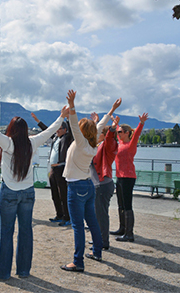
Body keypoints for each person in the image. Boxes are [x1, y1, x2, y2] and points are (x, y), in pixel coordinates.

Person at [0, 98, 69, 280]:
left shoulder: (7, 143)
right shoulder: (32, 142)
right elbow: (51, 131)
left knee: (7, 232)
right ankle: (24, 271)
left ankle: (3, 273)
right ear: (26, 130)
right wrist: (61, 117)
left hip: (9, 192)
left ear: (11, 130)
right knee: (26, 231)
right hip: (28, 192)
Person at [60, 90, 120, 273]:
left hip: (76, 186)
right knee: (92, 222)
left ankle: (78, 262)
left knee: (78, 226)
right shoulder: (92, 145)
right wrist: (111, 110)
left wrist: (72, 106)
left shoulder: (80, 142)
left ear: (82, 131)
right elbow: (100, 126)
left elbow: (75, 127)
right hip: (87, 185)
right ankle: (97, 252)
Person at [112, 112, 149, 242]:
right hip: (119, 177)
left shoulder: (131, 144)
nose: (118, 134)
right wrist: (115, 123)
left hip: (128, 177)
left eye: (120, 132)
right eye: (118, 132)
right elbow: (116, 129)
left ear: (127, 132)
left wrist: (142, 123)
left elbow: (137, 133)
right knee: (120, 204)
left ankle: (129, 233)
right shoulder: (120, 143)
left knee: (127, 205)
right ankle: (122, 228)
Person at [32, 112, 73, 226]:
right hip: (53, 169)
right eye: (57, 129)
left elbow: (72, 129)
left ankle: (67, 217)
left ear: (65, 129)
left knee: (63, 194)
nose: (57, 131)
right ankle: (59, 215)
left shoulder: (67, 137)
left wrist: (68, 118)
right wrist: (37, 121)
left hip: (61, 168)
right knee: (55, 194)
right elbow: (47, 130)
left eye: (60, 129)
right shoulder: (55, 137)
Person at [90, 110, 121, 251]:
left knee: (101, 214)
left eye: (98, 133)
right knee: (96, 213)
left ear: (103, 135)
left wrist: (113, 128)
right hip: (97, 185)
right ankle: (98, 239)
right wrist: (95, 123)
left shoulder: (107, 146)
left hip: (103, 185)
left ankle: (103, 242)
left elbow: (109, 139)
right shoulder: (96, 146)